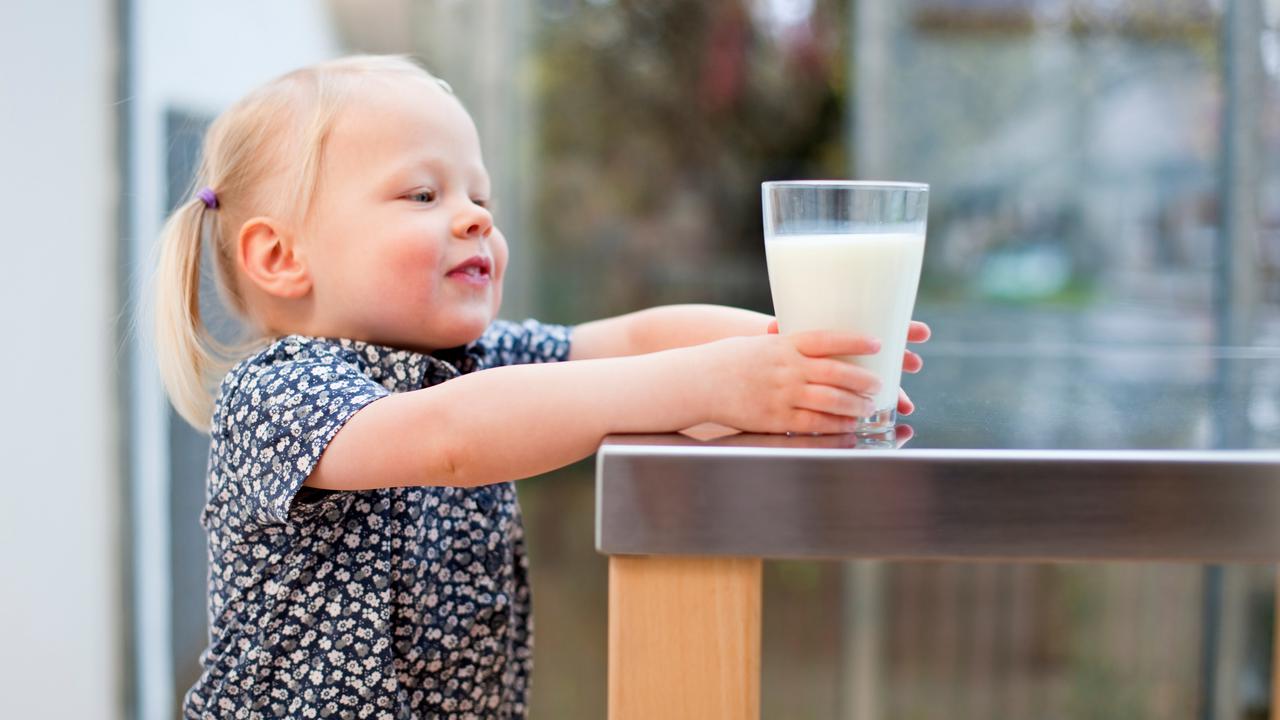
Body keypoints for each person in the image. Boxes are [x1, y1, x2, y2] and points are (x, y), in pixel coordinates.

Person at [151, 54, 929, 719]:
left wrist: (798, 349)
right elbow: (449, 439)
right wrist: (707, 385)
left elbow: (629, 339)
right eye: (424, 196)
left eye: (479, 198)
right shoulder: (277, 393)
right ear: (281, 257)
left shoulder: (474, 358)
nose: (473, 221)